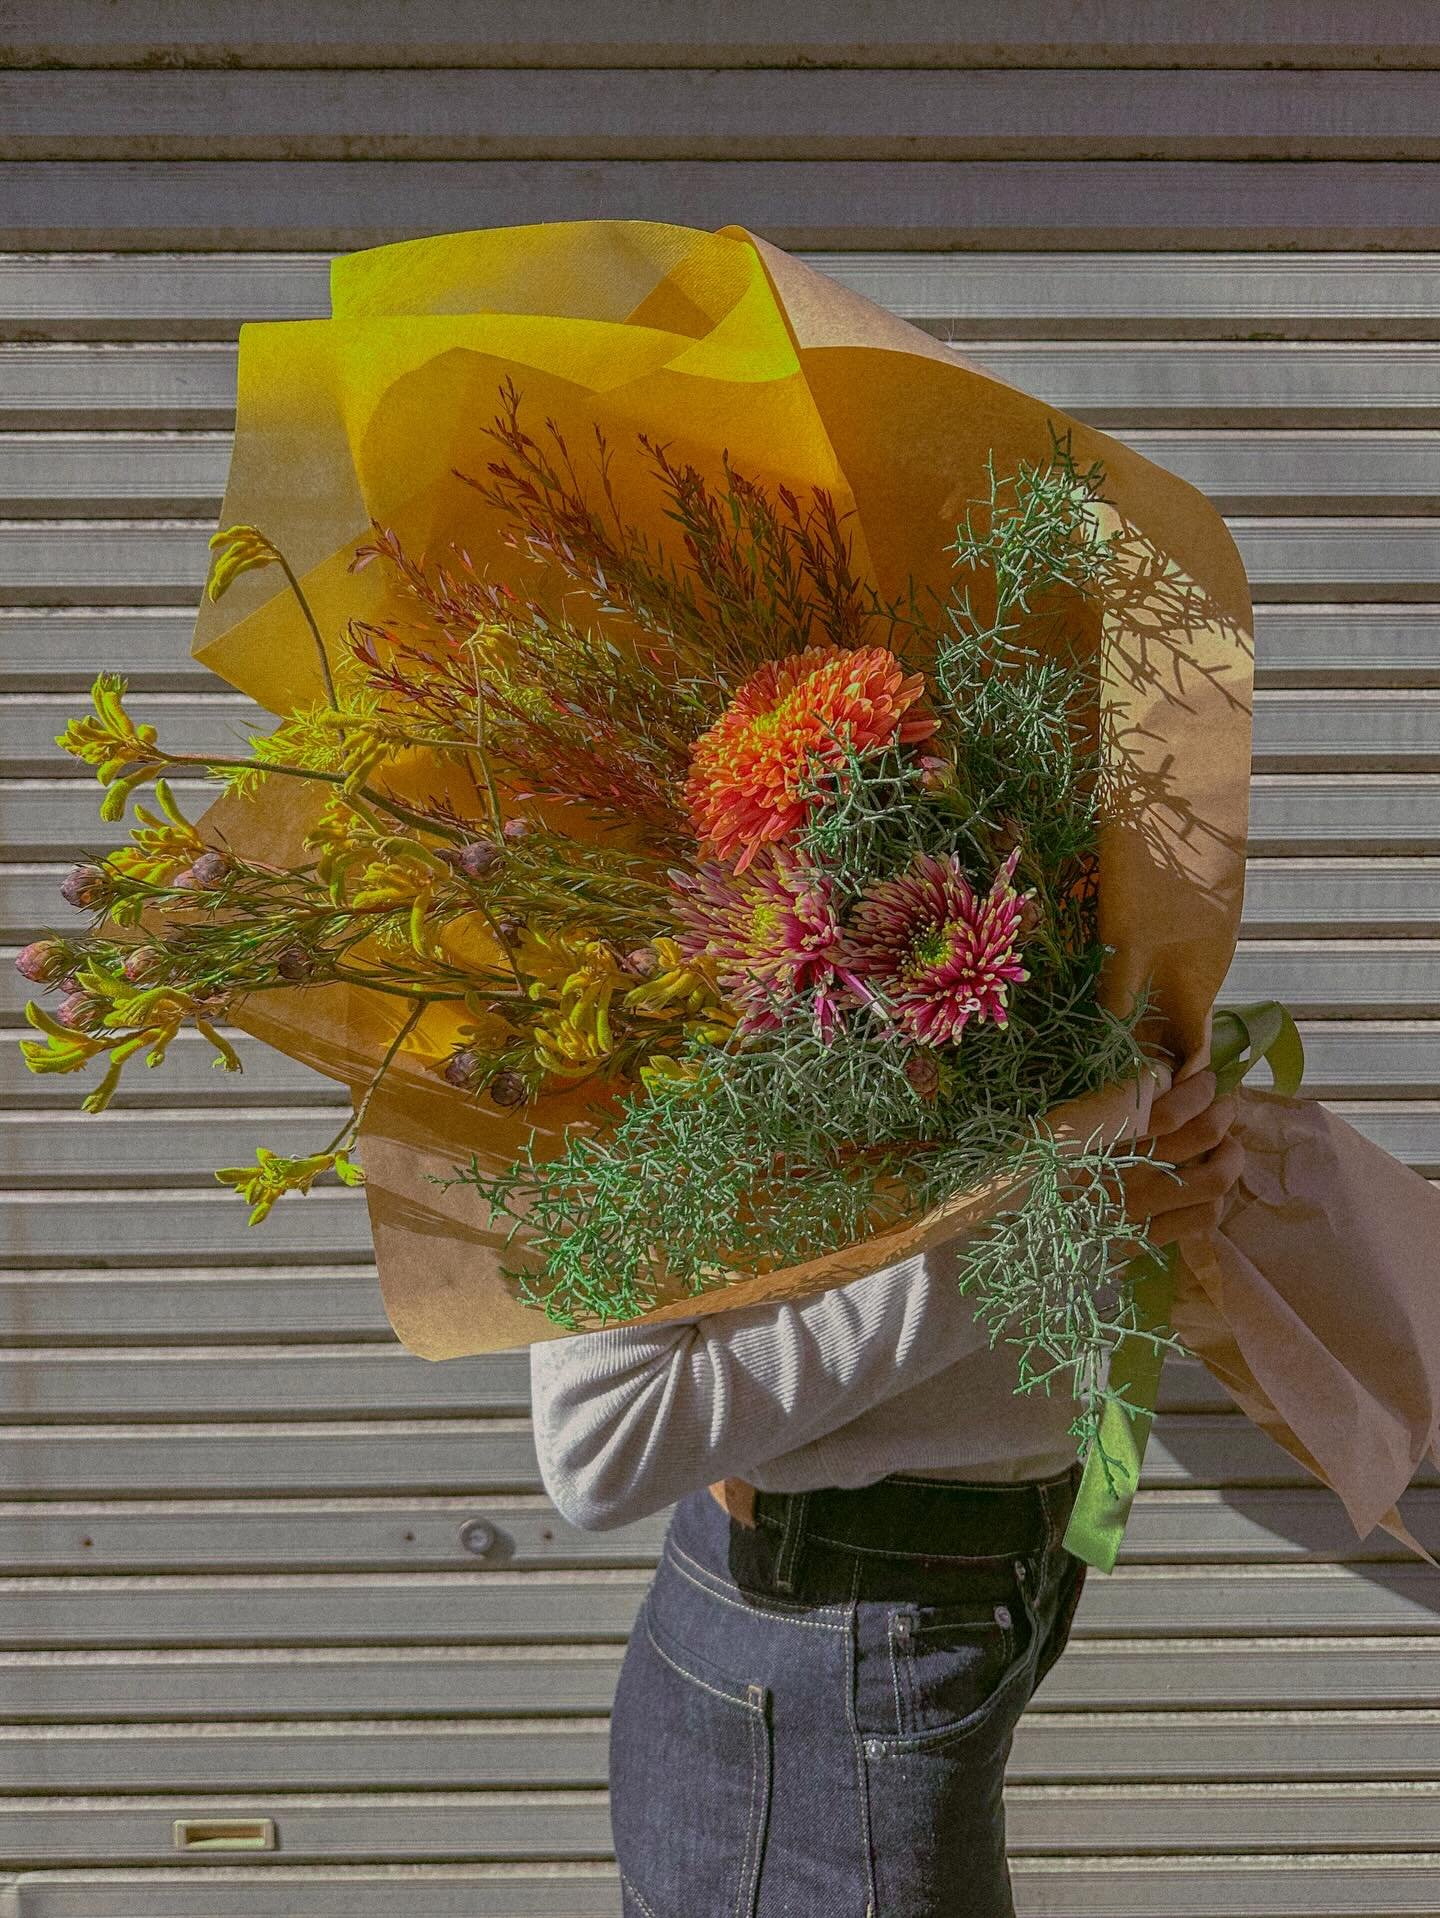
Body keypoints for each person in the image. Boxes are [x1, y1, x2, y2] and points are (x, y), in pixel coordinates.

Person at [530, 1065, 1243, 1918]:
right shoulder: (678, 969)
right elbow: (600, 1441)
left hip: (953, 1602)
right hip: (831, 1644)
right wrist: (1039, 1240)